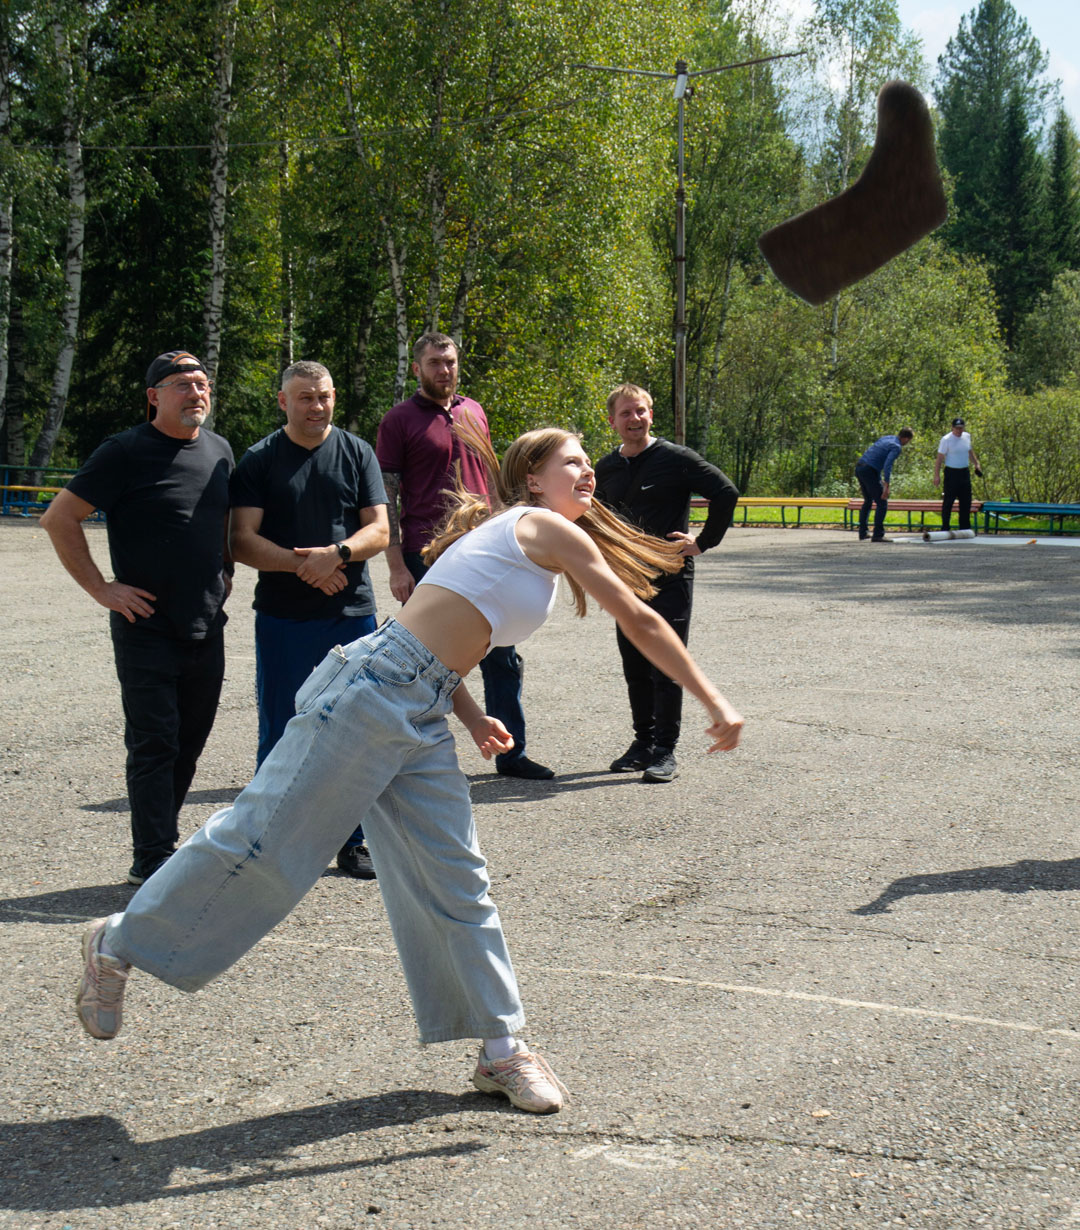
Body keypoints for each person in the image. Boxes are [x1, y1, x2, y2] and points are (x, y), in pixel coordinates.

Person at [73, 425, 744, 1115]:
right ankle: (117, 941)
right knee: (264, 843)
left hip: (417, 703)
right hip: (371, 693)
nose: (587, 470)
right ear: (533, 479)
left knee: (458, 879)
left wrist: (472, 715)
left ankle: (501, 1049)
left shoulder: (518, 538)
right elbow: (639, 619)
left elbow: (437, 634)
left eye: (585, 460)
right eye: (570, 460)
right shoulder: (540, 525)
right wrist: (713, 700)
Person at [40, 351, 233, 886]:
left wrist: (227, 569)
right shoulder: (124, 452)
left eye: (202, 383)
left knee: (190, 741)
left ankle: (160, 841)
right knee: (155, 742)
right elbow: (60, 517)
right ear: (153, 396)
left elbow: (219, 521)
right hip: (146, 625)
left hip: (206, 622)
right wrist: (102, 588)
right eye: (181, 385)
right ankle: (152, 857)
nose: (196, 392)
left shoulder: (218, 451)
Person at [229, 361, 389, 879]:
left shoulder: (357, 452)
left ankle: (357, 842)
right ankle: (269, 841)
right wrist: (307, 565)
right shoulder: (259, 460)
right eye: (304, 398)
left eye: (323, 397)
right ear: (283, 402)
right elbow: (242, 540)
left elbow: (380, 531)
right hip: (285, 619)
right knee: (282, 730)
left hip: (351, 616)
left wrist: (338, 553)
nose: (316, 407)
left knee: (360, 730)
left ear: (334, 396)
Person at [376, 331, 552, 780]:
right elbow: (387, 497)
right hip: (427, 552)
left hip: (484, 549)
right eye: (434, 363)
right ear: (417, 369)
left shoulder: (473, 411)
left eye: (450, 361)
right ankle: (410, 756)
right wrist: (396, 564)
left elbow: (491, 480)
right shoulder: (399, 421)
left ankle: (511, 754)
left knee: (502, 654)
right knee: (427, 657)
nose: (444, 370)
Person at [594, 383, 739, 784]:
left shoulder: (675, 458)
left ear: (651, 415)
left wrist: (702, 542)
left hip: (670, 577)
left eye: (640, 411)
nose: (634, 419)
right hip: (626, 578)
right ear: (612, 421)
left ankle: (664, 751)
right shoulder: (605, 468)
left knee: (666, 665)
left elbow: (725, 492)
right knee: (635, 664)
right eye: (625, 413)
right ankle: (642, 744)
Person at [854, 428, 914, 542]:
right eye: (909, 441)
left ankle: (863, 533)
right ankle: (878, 535)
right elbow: (887, 464)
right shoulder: (897, 447)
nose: (907, 443)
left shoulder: (886, 438)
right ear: (906, 438)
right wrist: (887, 484)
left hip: (860, 467)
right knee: (882, 502)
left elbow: (874, 456)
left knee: (868, 501)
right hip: (869, 471)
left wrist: (879, 479)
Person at [933, 417, 982, 532]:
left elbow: (969, 451)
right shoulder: (946, 439)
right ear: (952, 428)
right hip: (951, 473)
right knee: (948, 501)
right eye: (957, 428)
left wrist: (976, 464)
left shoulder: (967, 436)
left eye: (961, 428)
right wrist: (936, 475)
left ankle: (964, 527)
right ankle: (945, 527)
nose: (959, 431)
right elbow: (939, 458)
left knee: (966, 501)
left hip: (964, 472)